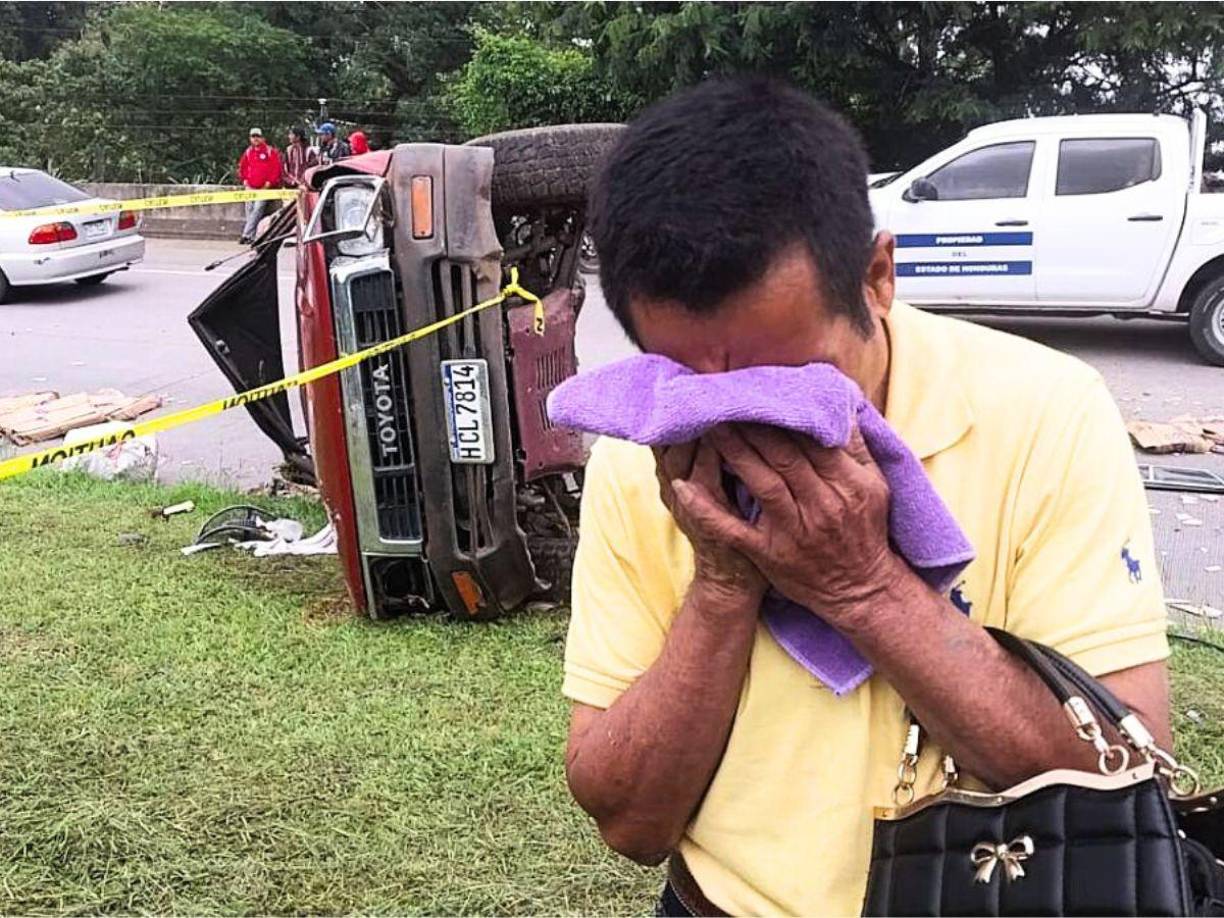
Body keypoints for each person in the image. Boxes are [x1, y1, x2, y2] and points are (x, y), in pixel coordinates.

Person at [563, 77, 1170, 916]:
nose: (735, 419)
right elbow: (629, 822)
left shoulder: (1043, 412)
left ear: (877, 276)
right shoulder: (644, 456)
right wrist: (723, 584)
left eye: (781, 383)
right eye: (692, 385)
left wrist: (863, 587)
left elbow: (1121, 770)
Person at [236, 127, 283, 245]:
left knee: (258, 209)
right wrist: (244, 180)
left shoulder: (269, 151)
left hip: (264, 188)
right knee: (250, 210)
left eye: (257, 136)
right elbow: (242, 167)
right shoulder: (248, 152)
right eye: (253, 136)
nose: (255, 139)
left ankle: (246, 234)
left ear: (262, 138)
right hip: (250, 186)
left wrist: (269, 182)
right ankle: (251, 236)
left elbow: (276, 168)